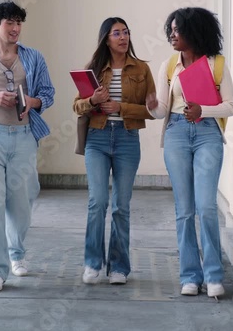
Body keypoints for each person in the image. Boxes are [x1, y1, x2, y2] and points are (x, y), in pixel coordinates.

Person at [0, 1, 55, 292]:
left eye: (19, 23)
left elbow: (48, 94)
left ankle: (16, 252)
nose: (15, 29)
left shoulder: (33, 58)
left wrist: (32, 102)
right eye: (10, 23)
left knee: (22, 201)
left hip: (24, 136)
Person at [146, 7, 233, 298]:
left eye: (178, 30)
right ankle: (189, 275)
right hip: (176, 134)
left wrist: (204, 110)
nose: (172, 35)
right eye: (170, 30)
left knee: (207, 206)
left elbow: (232, 106)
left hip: (208, 133)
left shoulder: (217, 64)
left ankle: (213, 276)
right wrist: (151, 105)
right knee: (184, 210)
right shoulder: (169, 65)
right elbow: (162, 111)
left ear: (194, 31)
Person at [73, 17, 156, 285]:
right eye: (117, 33)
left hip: (127, 139)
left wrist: (122, 108)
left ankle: (119, 266)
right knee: (97, 202)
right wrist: (92, 100)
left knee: (121, 206)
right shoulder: (93, 69)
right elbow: (77, 107)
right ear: (106, 39)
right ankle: (92, 263)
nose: (123, 37)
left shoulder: (142, 69)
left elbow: (153, 110)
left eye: (126, 32)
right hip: (97, 139)